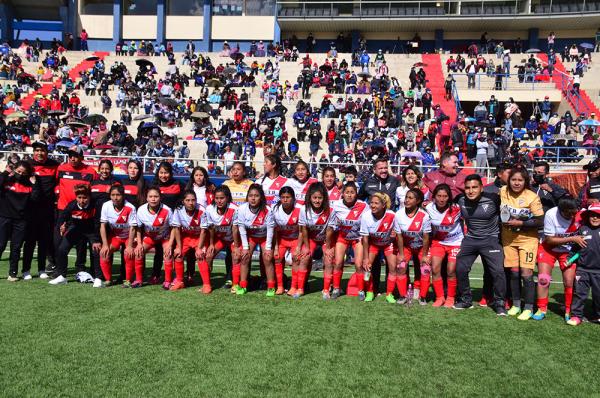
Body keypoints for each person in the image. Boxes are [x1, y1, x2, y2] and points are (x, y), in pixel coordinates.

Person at [454, 174, 507, 315]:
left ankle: (500, 303)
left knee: (498, 272)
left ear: (481, 188)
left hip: (491, 239)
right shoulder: (460, 199)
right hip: (470, 239)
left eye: (474, 187)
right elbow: (442, 200)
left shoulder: (493, 198)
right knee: (460, 269)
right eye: (467, 188)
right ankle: (466, 300)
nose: (471, 191)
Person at [499, 167, 544, 320]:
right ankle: (516, 305)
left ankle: (529, 307)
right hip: (509, 238)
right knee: (514, 272)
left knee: (527, 274)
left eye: (520, 180)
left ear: (525, 181)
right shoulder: (503, 191)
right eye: (513, 180)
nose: (516, 183)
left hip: (527, 240)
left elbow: (540, 221)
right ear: (508, 180)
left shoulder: (532, 197)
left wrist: (521, 223)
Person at [534, 196, 581, 321]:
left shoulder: (580, 214)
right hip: (548, 249)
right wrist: (572, 238)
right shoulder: (551, 214)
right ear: (561, 210)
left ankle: (568, 310)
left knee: (569, 281)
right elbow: (549, 240)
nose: (572, 216)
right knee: (543, 279)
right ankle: (541, 308)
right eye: (568, 213)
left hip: (568, 251)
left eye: (574, 213)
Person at [49, 185, 101, 285]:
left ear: (89, 197)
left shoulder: (95, 206)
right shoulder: (71, 205)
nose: (82, 200)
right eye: (79, 197)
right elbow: (61, 218)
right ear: (76, 197)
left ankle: (98, 278)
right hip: (75, 229)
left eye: (85, 198)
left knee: (96, 251)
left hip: (91, 230)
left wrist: (97, 240)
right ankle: (62, 276)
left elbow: (97, 224)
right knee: (62, 249)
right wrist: (62, 226)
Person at [23, 141, 58, 280]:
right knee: (30, 241)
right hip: (30, 209)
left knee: (44, 240)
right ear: (33, 152)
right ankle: (26, 270)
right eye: (37, 150)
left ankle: (42, 269)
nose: (39, 153)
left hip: (47, 209)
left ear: (47, 152)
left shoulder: (54, 165)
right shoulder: (27, 165)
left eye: (42, 150)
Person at [326, 183, 367, 299]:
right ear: (342, 194)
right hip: (342, 238)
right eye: (347, 192)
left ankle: (360, 290)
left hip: (357, 239)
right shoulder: (336, 205)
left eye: (352, 192)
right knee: (338, 262)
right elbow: (331, 226)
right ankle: (336, 289)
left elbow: (368, 222)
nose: (349, 195)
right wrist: (328, 246)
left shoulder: (364, 206)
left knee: (359, 265)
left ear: (356, 194)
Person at [0, 161, 39, 281]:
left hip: (21, 220)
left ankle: (12, 274)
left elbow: (35, 199)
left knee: (16, 247)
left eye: (23, 172)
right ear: (14, 170)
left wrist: (34, 184)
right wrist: (6, 172)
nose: (20, 174)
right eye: (18, 171)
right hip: (4, 217)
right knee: (0, 245)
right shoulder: (6, 180)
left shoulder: (29, 184)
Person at [234, 184, 275, 296]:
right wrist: (246, 248)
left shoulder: (268, 210)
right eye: (251, 195)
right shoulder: (242, 209)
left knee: (267, 258)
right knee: (245, 257)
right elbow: (241, 228)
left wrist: (268, 248)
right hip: (250, 237)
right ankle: (243, 285)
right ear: (247, 197)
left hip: (264, 237)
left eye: (256, 195)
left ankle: (271, 287)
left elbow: (271, 230)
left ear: (261, 197)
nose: (253, 198)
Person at [426, 184, 462, 307]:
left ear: (449, 197)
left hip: (455, 243)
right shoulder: (429, 207)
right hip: (438, 242)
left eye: (445, 196)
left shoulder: (457, 208)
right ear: (434, 197)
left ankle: (451, 298)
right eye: (439, 196)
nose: (442, 199)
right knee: (435, 269)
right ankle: (439, 297)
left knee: (451, 270)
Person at [393, 188, 432, 305]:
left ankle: (423, 297)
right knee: (401, 267)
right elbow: (399, 236)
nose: (407, 200)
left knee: (425, 269)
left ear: (418, 200)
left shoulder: (424, 216)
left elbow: (426, 237)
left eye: (410, 198)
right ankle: (402, 295)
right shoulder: (398, 214)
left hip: (421, 247)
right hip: (407, 247)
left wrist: (425, 255)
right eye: (406, 197)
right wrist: (401, 254)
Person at [134, 187, 176, 290]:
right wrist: (139, 244)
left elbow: (174, 228)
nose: (153, 199)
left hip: (164, 237)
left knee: (168, 254)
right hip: (150, 237)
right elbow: (138, 228)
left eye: (156, 196)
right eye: (151, 196)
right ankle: (138, 280)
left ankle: (167, 281)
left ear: (160, 198)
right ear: (147, 198)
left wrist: (170, 244)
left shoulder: (167, 210)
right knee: (138, 252)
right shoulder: (141, 210)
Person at [296, 182, 332, 298]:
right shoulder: (303, 210)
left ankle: (326, 289)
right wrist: (306, 247)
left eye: (320, 198)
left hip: (325, 239)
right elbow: (304, 230)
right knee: (304, 258)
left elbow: (330, 231)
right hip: (310, 238)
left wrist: (327, 247)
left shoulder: (330, 210)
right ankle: (300, 288)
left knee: (329, 259)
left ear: (324, 198)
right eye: (314, 198)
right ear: (309, 198)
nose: (317, 201)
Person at [203, 185, 242, 292]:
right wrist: (211, 244)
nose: (219, 201)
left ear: (227, 198)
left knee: (235, 256)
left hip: (233, 239)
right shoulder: (209, 209)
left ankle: (235, 284)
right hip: (220, 239)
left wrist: (237, 246)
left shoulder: (235, 209)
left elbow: (235, 229)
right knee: (208, 255)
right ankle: (207, 284)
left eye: (222, 198)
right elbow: (211, 228)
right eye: (217, 198)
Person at [359, 192, 396, 302]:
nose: (373, 205)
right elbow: (365, 238)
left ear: (383, 205)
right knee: (367, 267)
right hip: (373, 244)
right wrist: (365, 258)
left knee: (393, 267)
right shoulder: (365, 216)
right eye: (371, 203)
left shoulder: (392, 215)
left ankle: (390, 294)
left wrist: (394, 236)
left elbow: (398, 233)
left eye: (376, 203)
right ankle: (370, 292)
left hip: (388, 244)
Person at [567, 203, 600, 326]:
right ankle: (576, 316)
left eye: (598, 216)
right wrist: (570, 258)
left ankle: (598, 315)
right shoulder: (582, 229)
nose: (595, 218)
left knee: (598, 295)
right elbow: (575, 248)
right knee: (579, 294)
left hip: (599, 271)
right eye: (592, 215)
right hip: (583, 270)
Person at [99, 185, 138, 288]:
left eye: (118, 195)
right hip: (116, 236)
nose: (115, 198)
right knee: (104, 253)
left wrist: (129, 246)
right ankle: (108, 280)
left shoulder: (130, 207)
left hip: (128, 236)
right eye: (112, 195)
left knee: (128, 254)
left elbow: (133, 228)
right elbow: (103, 226)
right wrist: (105, 245)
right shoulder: (106, 206)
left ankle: (128, 280)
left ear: (123, 195)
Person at [172, 190, 209, 292]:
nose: (190, 203)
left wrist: (200, 248)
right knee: (178, 254)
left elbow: (204, 231)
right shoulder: (178, 210)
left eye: (193, 200)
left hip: (199, 238)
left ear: (196, 201)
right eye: (187, 200)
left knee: (200, 255)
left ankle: (206, 285)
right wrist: (179, 247)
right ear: (183, 201)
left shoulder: (202, 210)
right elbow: (177, 229)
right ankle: (179, 282)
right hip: (187, 237)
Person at [272, 186, 300, 295]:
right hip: (282, 239)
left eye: (288, 197)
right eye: (282, 197)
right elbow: (274, 231)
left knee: (296, 259)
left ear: (293, 198)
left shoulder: (300, 209)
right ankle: (280, 286)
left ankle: (293, 286)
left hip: (295, 239)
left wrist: (298, 247)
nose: (285, 199)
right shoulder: (275, 210)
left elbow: (302, 231)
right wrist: (275, 247)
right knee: (277, 257)